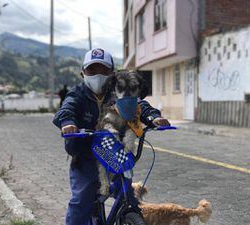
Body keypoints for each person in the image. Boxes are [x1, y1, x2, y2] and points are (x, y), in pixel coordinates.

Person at [52, 48, 170, 225]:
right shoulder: (77, 95)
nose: (98, 75)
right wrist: (68, 123)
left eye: (103, 70)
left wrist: (154, 118)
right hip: (85, 158)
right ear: (82, 73)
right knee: (81, 201)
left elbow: (139, 105)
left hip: (114, 155)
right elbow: (66, 109)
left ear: (112, 74)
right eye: (92, 70)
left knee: (129, 196)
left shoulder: (118, 92)